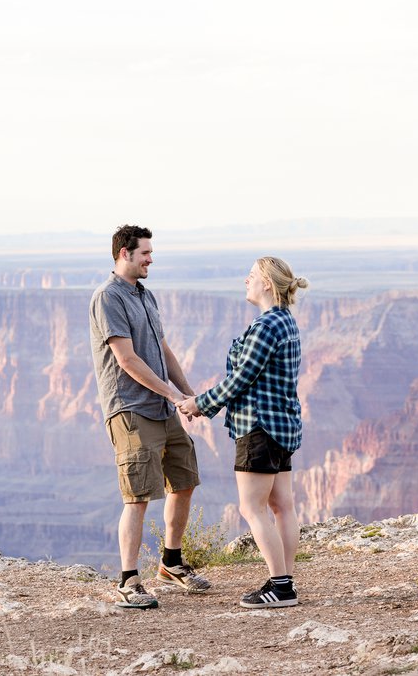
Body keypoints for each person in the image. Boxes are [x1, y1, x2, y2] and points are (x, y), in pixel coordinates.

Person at [89, 224, 212, 609]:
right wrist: (173, 394)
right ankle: (128, 580)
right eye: (145, 252)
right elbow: (126, 359)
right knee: (139, 495)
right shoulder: (108, 298)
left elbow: (162, 348)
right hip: (131, 409)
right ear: (124, 253)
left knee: (184, 479)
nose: (150, 258)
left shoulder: (145, 295)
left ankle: (171, 563)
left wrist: (187, 393)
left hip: (162, 407)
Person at [178, 256, 308, 608]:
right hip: (282, 427)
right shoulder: (286, 322)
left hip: (259, 427)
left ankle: (280, 587)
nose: (245, 281)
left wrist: (199, 404)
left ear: (267, 283)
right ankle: (284, 581)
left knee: (252, 508)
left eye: (251, 276)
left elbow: (240, 379)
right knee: (283, 505)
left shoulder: (266, 326)